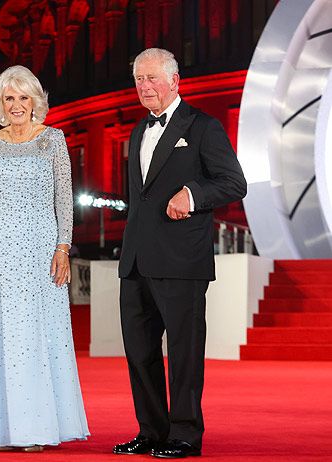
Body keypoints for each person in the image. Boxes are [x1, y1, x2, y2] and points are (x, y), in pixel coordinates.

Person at [113, 48, 246, 459]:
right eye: (139, 80)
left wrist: (193, 193)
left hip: (181, 260)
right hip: (136, 261)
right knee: (140, 352)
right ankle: (151, 431)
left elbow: (233, 183)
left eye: (152, 78)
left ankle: (185, 434)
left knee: (185, 353)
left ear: (175, 81)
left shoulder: (202, 127)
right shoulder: (137, 131)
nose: (145, 86)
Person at [0, 65, 89, 451]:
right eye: (9, 98)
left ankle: (35, 428)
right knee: (0, 335)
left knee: (34, 335)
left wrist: (64, 246)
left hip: (39, 250)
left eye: (23, 97)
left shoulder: (53, 140)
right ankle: (1, 427)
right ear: (0, 103)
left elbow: (64, 198)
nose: (16, 105)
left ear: (35, 101)